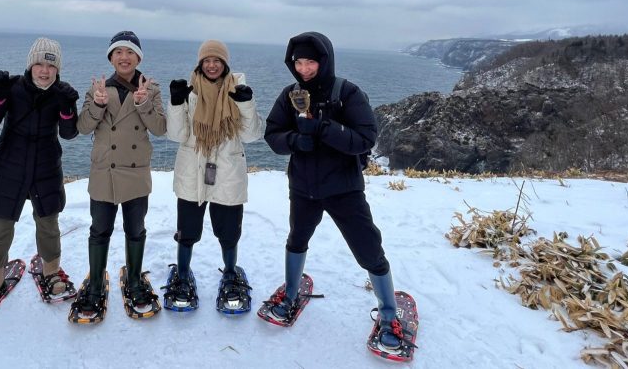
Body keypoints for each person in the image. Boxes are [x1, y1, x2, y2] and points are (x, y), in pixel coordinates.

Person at [263, 32, 403, 349]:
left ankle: (388, 313)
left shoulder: (347, 93)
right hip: (303, 188)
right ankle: (290, 291)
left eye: (310, 61)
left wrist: (325, 129)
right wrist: (295, 141)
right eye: (298, 62)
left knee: (368, 249)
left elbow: (366, 138)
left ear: (324, 60)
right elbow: (273, 134)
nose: (304, 68)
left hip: (344, 189)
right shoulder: (290, 94)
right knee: (297, 240)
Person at [0, 38, 80, 314]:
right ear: (30, 65)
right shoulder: (12, 87)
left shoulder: (61, 93)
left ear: (57, 69)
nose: (44, 70)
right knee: (0, 228)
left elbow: (69, 133)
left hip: (46, 168)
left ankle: (51, 271)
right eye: (39, 63)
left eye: (50, 65)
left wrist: (67, 109)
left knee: (48, 224)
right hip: (8, 167)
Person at [70, 30, 167, 319]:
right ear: (111, 57)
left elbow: (161, 128)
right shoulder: (98, 88)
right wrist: (98, 104)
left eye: (129, 52)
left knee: (135, 229)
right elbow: (83, 128)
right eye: (118, 52)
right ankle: (96, 283)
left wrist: (143, 103)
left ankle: (135, 279)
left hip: (136, 172)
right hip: (104, 172)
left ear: (138, 57)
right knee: (99, 230)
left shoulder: (151, 88)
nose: (123, 57)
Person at [164, 40, 264, 311]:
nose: (211, 65)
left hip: (228, 173)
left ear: (224, 64)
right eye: (207, 60)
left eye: (217, 60)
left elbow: (252, 135)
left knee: (229, 233)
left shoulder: (237, 91)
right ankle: (183, 274)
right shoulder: (189, 92)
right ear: (200, 63)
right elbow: (176, 135)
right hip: (192, 173)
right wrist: (175, 103)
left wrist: (245, 104)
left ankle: (230, 273)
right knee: (187, 233)